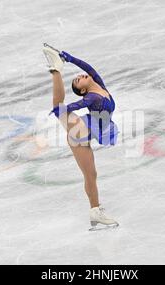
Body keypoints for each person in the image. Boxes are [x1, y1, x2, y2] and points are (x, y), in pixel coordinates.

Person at [42, 44, 119, 230]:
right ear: (83, 90)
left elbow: (87, 67)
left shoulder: (100, 86)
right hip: (81, 131)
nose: (79, 77)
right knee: (60, 105)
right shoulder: (92, 97)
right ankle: (55, 70)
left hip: (88, 131)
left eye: (78, 78)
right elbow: (79, 104)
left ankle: (95, 211)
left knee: (91, 175)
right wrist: (62, 110)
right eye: (77, 82)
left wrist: (70, 58)